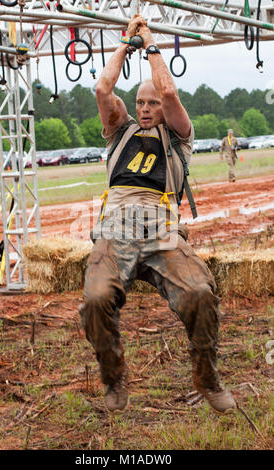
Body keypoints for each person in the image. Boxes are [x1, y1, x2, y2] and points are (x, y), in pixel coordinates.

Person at [79, 15, 236, 415]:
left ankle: (206, 374)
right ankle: (114, 378)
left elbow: (169, 92)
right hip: (116, 225)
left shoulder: (179, 137)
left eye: (152, 104)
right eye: (141, 103)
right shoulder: (120, 131)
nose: (147, 109)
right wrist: (126, 43)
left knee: (201, 292)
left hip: (162, 226)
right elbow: (101, 87)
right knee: (96, 298)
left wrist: (150, 44)